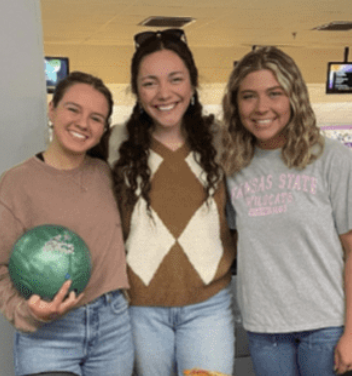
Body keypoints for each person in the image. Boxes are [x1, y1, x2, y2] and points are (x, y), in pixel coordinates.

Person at [109, 29, 236, 376]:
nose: (164, 93)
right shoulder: (118, 141)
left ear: (192, 84)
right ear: (137, 90)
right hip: (138, 308)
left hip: (208, 307)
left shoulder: (219, 139)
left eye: (175, 79)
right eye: (150, 82)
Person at [222, 46, 352, 376]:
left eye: (274, 93)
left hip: (326, 323)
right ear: (236, 105)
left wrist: (351, 333)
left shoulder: (331, 158)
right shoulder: (235, 166)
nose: (261, 107)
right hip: (264, 327)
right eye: (248, 96)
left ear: (294, 97)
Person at [0, 71, 134, 376]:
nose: (83, 123)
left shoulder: (108, 175)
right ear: (52, 109)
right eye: (73, 109)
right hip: (48, 335)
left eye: (96, 117)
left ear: (104, 129)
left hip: (114, 324)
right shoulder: (14, 183)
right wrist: (29, 312)